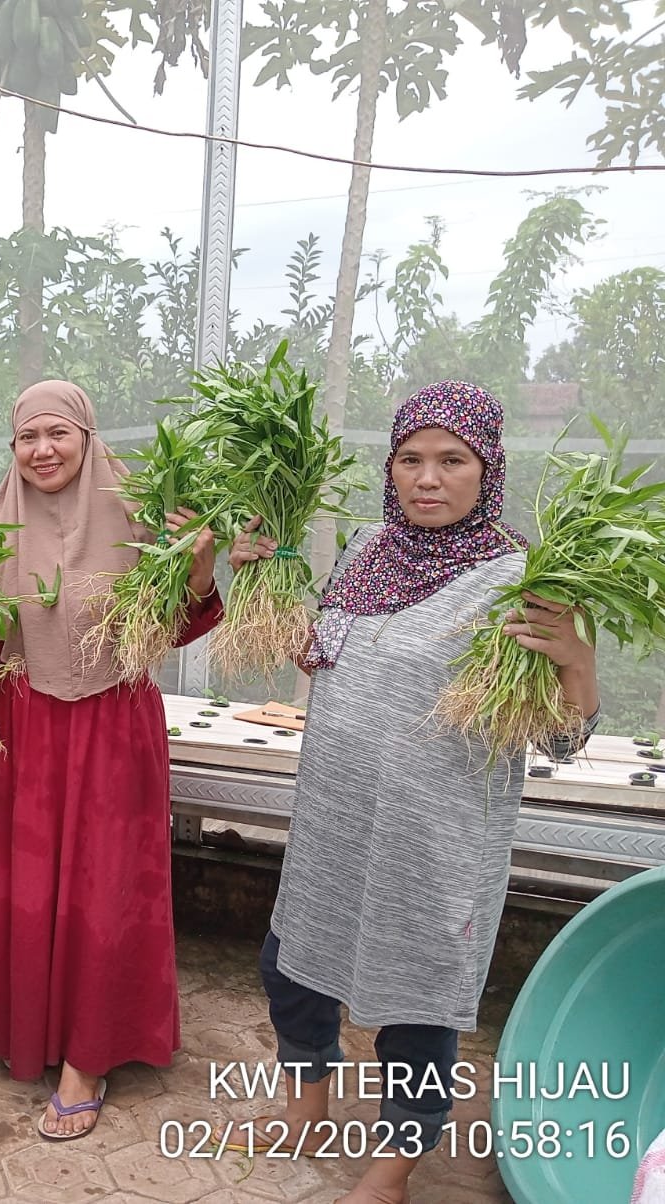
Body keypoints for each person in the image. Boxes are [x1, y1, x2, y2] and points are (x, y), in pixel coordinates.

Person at [229, 381, 601, 1203]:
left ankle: (394, 1164)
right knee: (291, 966)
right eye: (410, 460)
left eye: (451, 460)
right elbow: (320, 658)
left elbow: (559, 739)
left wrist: (576, 662)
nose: (427, 479)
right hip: (336, 816)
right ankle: (310, 1104)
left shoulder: (518, 581)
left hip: (432, 840)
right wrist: (267, 584)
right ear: (389, 468)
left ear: (487, 469)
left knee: (416, 1006)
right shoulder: (370, 554)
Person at [0, 380, 222, 1141]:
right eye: (27, 437)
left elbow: (176, 627)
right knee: (25, 878)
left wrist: (198, 565)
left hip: (113, 722)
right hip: (22, 722)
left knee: (107, 884)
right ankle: (23, 1027)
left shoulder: (140, 515)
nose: (42, 450)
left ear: (87, 436)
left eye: (58, 433)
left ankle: (89, 1057)